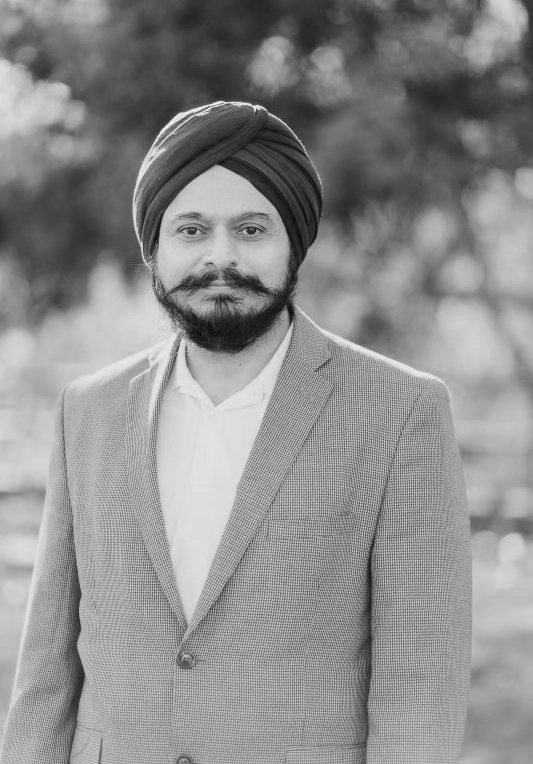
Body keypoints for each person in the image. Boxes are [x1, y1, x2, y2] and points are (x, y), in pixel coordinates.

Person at [0, 101, 471, 764]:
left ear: (293, 243)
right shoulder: (87, 410)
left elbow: (419, 692)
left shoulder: (400, 411)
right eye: (191, 230)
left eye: (251, 229)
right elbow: (44, 680)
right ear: (154, 248)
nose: (220, 257)